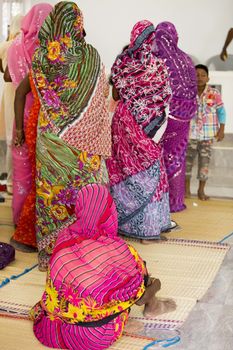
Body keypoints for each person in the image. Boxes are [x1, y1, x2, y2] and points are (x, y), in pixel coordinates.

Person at [14, 1, 111, 269]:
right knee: (88, 190)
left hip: (51, 139)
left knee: (52, 194)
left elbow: (30, 90)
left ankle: (51, 255)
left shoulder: (43, 55)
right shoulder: (90, 54)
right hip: (84, 140)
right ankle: (87, 249)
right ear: (78, 23)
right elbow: (101, 96)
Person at [30, 183, 176, 350]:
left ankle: (111, 313)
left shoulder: (64, 238)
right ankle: (152, 307)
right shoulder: (115, 247)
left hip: (55, 328)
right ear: (108, 211)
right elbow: (137, 293)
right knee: (145, 277)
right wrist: (150, 285)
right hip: (94, 336)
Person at [106, 20, 173, 243]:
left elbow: (116, 96)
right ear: (152, 39)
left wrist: (132, 96)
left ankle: (124, 223)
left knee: (124, 170)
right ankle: (148, 229)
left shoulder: (123, 63)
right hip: (150, 128)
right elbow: (165, 97)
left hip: (125, 123)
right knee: (151, 170)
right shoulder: (159, 66)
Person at [4, 3, 53, 252]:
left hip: (17, 113)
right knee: (39, 173)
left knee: (21, 171)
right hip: (41, 117)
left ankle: (18, 222)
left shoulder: (14, 46)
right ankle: (33, 225)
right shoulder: (47, 49)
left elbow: (8, 77)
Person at [155, 21, 197, 212]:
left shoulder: (157, 59)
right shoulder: (186, 59)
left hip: (164, 117)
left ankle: (161, 204)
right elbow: (193, 90)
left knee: (159, 158)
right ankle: (176, 202)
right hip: (185, 117)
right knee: (177, 158)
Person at [185, 64, 226, 200]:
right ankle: (186, 190)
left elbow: (221, 112)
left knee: (204, 164)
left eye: (203, 75)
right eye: (196, 75)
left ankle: (201, 191)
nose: (200, 78)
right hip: (190, 135)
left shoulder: (214, 93)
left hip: (207, 136)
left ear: (208, 78)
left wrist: (221, 129)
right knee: (187, 163)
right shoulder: (187, 93)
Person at [0, 14, 23, 196]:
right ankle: (18, 182)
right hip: (24, 89)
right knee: (19, 136)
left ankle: (9, 183)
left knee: (10, 137)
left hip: (9, 91)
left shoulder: (6, 45)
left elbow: (2, 70)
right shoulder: (26, 45)